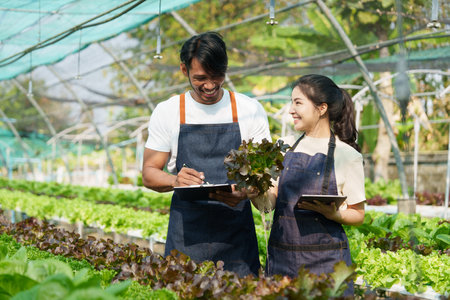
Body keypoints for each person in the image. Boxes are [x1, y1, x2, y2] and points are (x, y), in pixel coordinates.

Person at [141, 32, 271, 277]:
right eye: (200, 78)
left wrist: (249, 190)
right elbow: (148, 173)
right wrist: (175, 180)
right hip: (187, 236)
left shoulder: (249, 110)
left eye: (217, 76)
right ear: (183, 69)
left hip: (237, 239)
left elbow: (265, 173)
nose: (210, 85)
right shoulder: (168, 111)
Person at [261, 74, 365, 296]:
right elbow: (269, 203)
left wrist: (334, 214)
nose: (291, 109)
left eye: (298, 102)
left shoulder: (347, 155)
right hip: (283, 261)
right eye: (291, 102)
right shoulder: (284, 146)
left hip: (326, 264)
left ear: (322, 108)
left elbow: (358, 214)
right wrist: (255, 193)